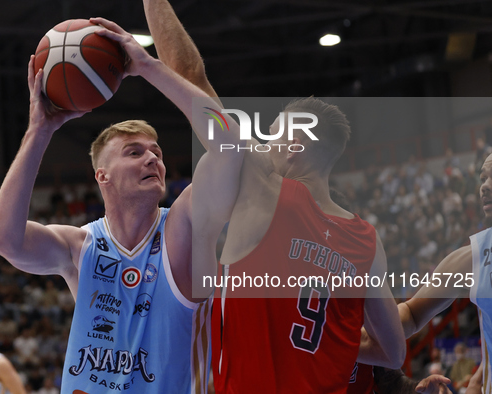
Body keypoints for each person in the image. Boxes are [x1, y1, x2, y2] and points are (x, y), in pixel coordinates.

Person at [140, 1, 405, 392]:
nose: (262, 143)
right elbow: (393, 353)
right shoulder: (368, 242)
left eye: (272, 135)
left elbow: (191, 77)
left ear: (294, 144)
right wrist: (330, 343)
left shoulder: (262, 183)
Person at [0, 13, 238, 394]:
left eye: (156, 152)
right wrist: (39, 131)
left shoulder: (184, 227)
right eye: (134, 152)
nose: (153, 159)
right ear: (102, 176)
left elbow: (230, 147)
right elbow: (4, 239)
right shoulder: (80, 247)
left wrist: (150, 68)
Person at [393, 152, 492, 393]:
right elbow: (411, 314)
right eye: (483, 178)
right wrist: (342, 333)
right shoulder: (474, 256)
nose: (485, 186)